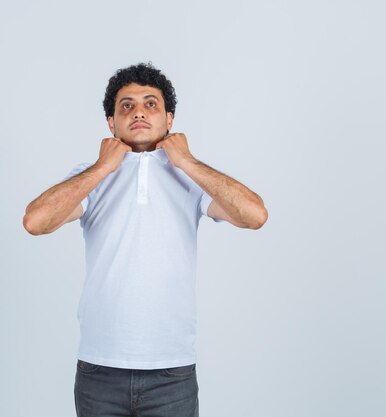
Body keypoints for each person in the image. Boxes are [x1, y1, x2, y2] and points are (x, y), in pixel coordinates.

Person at [22, 62, 268, 417]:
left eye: (150, 103)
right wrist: (104, 167)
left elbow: (254, 215)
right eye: (127, 105)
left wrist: (188, 162)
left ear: (170, 119)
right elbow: (35, 221)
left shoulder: (191, 176)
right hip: (99, 369)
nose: (138, 111)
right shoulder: (90, 177)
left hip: (172, 372)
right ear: (111, 123)